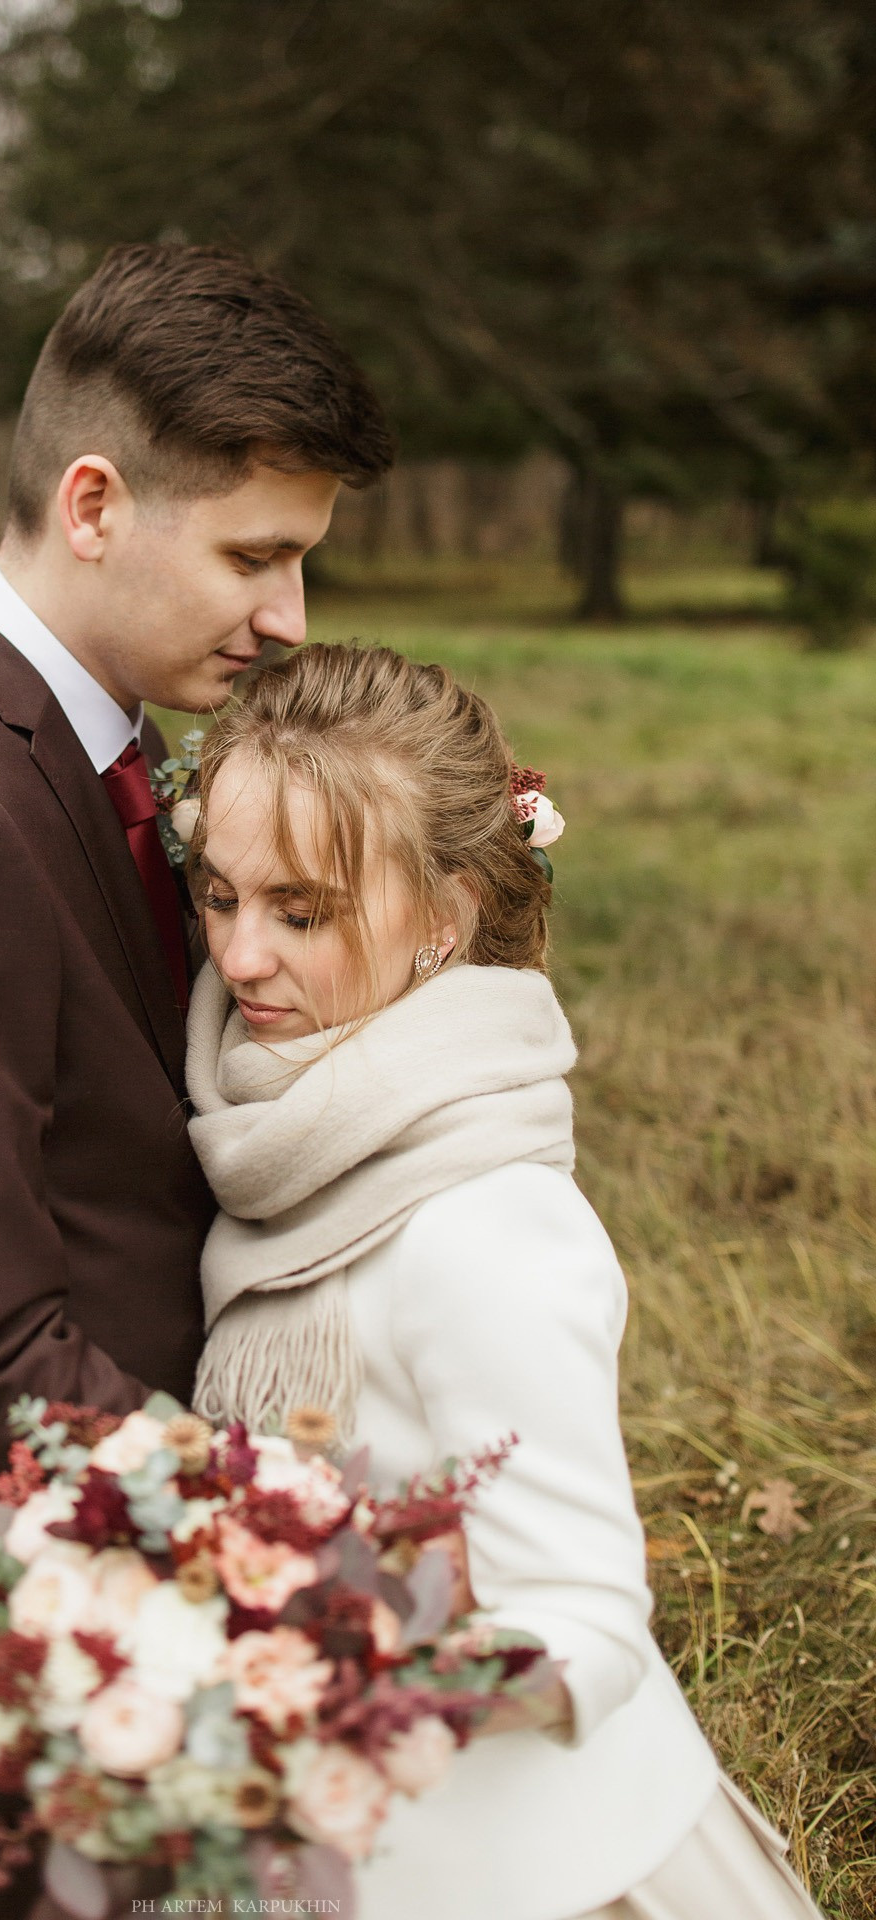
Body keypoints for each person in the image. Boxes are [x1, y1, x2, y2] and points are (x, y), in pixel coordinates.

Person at [0, 245, 393, 1919]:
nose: (289, 617)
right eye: (257, 556)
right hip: (28, 1637)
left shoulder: (105, 752)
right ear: (96, 502)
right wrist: (292, 1557)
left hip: (136, 1608)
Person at [182, 642, 823, 1920]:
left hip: (519, 1864)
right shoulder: (275, 1127)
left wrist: (358, 1678)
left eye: (299, 913)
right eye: (217, 895)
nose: (239, 957)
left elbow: (584, 1618)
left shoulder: (481, 1225)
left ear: (443, 917)